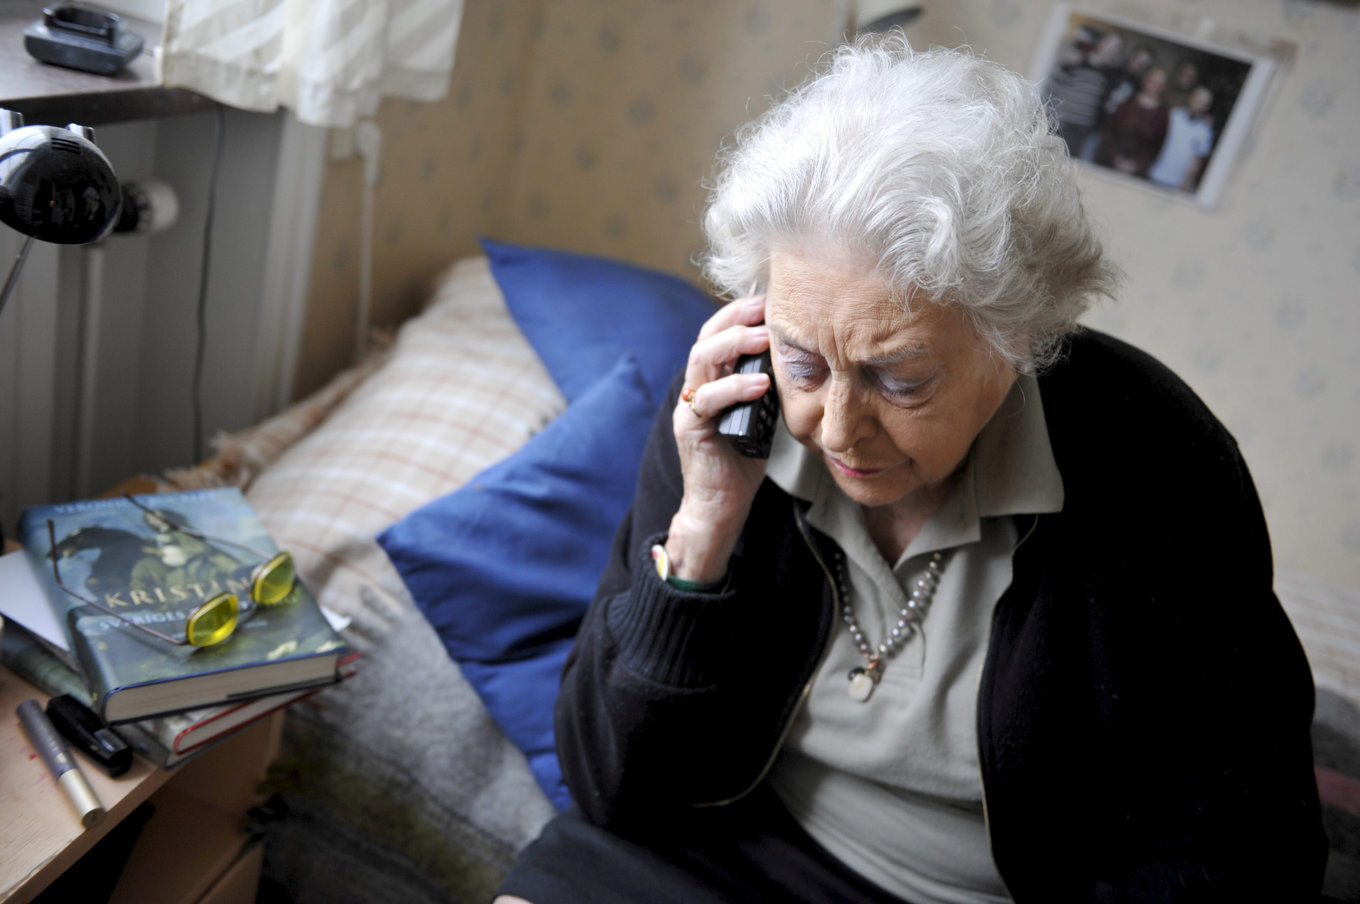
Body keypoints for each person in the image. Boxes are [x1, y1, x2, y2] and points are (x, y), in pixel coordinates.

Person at [494, 35, 1325, 904]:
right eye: (804, 362)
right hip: (715, 846)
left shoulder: (1159, 464)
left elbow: (1243, 849)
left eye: (901, 380)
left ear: (1017, 340)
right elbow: (607, 784)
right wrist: (702, 528)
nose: (837, 428)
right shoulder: (729, 406)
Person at [1095, 64, 1171, 177]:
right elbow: (1109, 132)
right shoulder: (1126, 104)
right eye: (1153, 81)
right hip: (1110, 164)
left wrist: (1136, 165)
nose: (1155, 86)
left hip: (1137, 173)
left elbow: (1157, 148)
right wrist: (1116, 159)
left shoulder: (1163, 114)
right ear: (1146, 80)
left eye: (1160, 84)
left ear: (1164, 87)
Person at [1148, 85, 1216, 192]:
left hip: (1176, 185)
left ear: (1207, 107)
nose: (1198, 104)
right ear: (1190, 97)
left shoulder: (1205, 132)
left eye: (1203, 102)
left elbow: (1197, 161)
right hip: (1153, 173)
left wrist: (1185, 183)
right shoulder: (1172, 116)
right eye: (1197, 98)